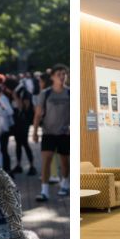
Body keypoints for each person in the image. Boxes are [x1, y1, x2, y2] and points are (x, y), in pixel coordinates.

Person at [34, 64, 72, 201]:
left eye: (64, 74)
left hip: (64, 133)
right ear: (52, 77)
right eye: (59, 75)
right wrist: (35, 132)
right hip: (48, 132)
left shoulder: (69, 93)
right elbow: (38, 114)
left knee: (64, 161)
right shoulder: (46, 93)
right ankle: (44, 191)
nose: (62, 77)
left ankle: (65, 184)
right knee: (46, 161)